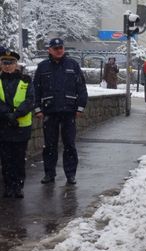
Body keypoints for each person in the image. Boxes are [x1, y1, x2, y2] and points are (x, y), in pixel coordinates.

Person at [34, 38, 88, 185]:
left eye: (61, 48)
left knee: (69, 145)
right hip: (49, 111)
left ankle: (70, 175)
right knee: (50, 145)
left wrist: (80, 107)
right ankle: (49, 174)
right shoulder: (43, 67)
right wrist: (37, 109)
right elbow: (35, 90)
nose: (59, 50)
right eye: (56, 48)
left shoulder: (73, 65)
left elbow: (81, 89)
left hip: (68, 111)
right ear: (49, 50)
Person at [0, 49, 34, 198]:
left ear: (16, 64)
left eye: (11, 63)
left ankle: (18, 186)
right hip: (3, 126)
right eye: (4, 62)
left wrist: (16, 114)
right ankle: (8, 186)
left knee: (19, 159)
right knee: (6, 160)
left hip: (21, 126)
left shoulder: (25, 80)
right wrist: (7, 115)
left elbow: (30, 100)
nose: (7, 66)